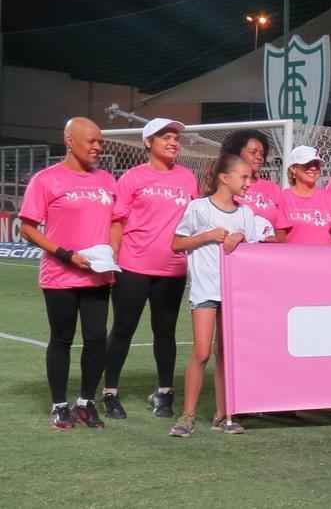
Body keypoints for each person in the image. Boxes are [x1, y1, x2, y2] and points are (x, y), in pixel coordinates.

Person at [19, 117, 119, 430]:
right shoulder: (46, 180)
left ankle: (86, 403)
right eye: (91, 141)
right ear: (69, 140)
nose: (97, 146)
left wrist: (111, 252)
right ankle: (60, 405)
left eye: (100, 141)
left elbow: (117, 220)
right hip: (60, 276)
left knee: (96, 339)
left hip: (98, 275)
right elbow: (27, 228)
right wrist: (66, 255)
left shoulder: (107, 180)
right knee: (62, 338)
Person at [169, 154, 275, 437]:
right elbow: (177, 244)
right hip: (205, 290)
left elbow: (252, 250)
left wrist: (240, 237)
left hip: (234, 293)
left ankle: (224, 413)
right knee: (202, 351)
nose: (249, 183)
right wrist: (206, 236)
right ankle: (187, 415)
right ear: (224, 178)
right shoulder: (198, 208)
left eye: (250, 177)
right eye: (244, 177)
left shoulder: (246, 214)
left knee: (225, 354)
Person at [104, 118, 198, 420]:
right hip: (132, 266)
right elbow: (117, 221)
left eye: (175, 138)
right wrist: (112, 257)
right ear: (148, 142)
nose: (173, 142)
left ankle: (165, 393)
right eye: (165, 137)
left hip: (172, 269)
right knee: (123, 329)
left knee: (165, 332)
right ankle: (110, 393)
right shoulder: (132, 178)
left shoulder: (188, 178)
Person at [219, 129, 289, 241]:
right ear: (236, 154)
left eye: (262, 154)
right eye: (253, 152)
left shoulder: (273, 189)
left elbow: (281, 230)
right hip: (233, 249)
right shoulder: (225, 184)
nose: (259, 157)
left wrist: (274, 241)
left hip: (265, 250)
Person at [281, 146, 331, 245]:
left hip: (324, 255)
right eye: (307, 164)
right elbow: (279, 238)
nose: (313, 168)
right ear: (293, 168)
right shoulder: (283, 198)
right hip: (292, 254)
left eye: (316, 164)